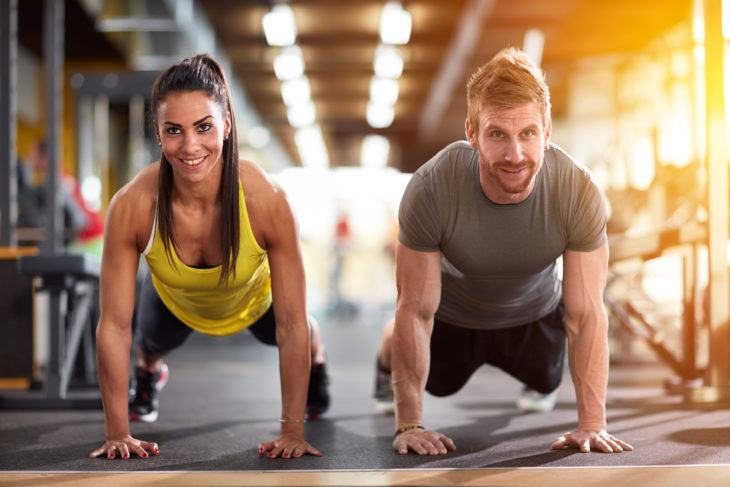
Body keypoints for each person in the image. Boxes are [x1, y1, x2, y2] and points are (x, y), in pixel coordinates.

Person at [373, 47, 633, 456]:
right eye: (498, 134)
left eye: (527, 133)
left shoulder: (578, 190)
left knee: (548, 380)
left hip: (533, 315)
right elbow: (416, 312)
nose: (515, 155)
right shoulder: (431, 188)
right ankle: (384, 356)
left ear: (547, 133)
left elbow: (586, 315)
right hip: (455, 319)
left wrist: (591, 424)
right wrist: (409, 423)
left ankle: (535, 375)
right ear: (472, 133)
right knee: (414, 346)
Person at [89, 54, 329, 461]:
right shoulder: (132, 204)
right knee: (149, 343)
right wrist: (117, 433)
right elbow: (113, 325)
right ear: (158, 133)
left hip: (253, 302)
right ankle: (150, 371)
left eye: (204, 127)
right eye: (174, 131)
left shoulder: (267, 200)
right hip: (174, 300)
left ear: (227, 126)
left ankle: (318, 360)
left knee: (302, 326)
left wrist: (291, 430)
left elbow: (289, 324)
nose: (190, 146)